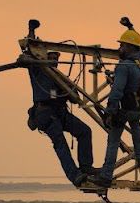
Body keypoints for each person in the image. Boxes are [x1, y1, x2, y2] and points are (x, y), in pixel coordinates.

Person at [23, 51, 94, 187]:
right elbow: (28, 54)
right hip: (45, 113)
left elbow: (75, 98)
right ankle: (75, 176)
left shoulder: (60, 77)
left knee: (85, 131)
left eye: (56, 58)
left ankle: (85, 166)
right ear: (43, 58)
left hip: (60, 112)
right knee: (60, 143)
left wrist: (66, 89)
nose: (54, 60)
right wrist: (31, 34)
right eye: (51, 57)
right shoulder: (38, 70)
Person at [94, 27, 140, 187]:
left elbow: (117, 91)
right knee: (136, 128)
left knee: (113, 140)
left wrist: (109, 112)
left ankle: (106, 175)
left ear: (130, 47)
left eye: (123, 46)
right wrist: (131, 27)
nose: (120, 49)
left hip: (124, 109)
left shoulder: (124, 66)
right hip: (137, 108)